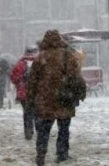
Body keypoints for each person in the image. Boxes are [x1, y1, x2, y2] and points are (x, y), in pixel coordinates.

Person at [27, 29, 83, 165]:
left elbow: (32, 80)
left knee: (43, 130)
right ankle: (62, 154)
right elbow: (76, 77)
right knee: (63, 129)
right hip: (64, 98)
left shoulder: (40, 57)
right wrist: (79, 94)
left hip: (45, 100)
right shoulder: (68, 56)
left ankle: (41, 154)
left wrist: (31, 98)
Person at [10, 44, 39, 140]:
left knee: (27, 113)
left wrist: (20, 82)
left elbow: (13, 78)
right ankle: (39, 131)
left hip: (24, 92)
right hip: (37, 92)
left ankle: (28, 132)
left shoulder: (20, 63)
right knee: (37, 112)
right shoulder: (40, 62)